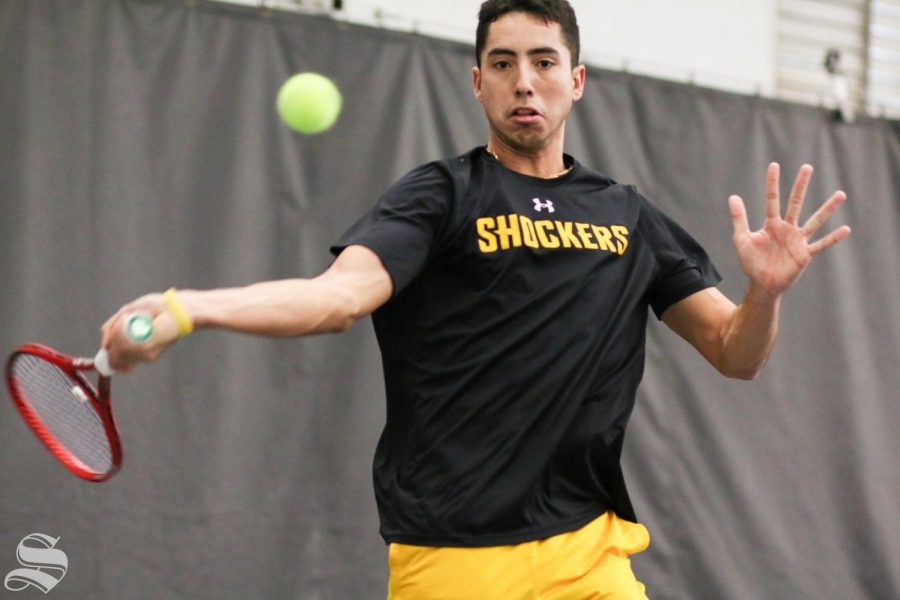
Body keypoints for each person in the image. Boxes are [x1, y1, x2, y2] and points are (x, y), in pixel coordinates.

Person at [102, 0, 851, 597]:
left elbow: (735, 353)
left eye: (543, 61)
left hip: (589, 552)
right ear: (478, 82)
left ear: (576, 80)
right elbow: (336, 298)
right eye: (503, 62)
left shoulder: (628, 216)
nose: (524, 80)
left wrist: (764, 292)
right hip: (455, 558)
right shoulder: (440, 197)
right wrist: (189, 308)